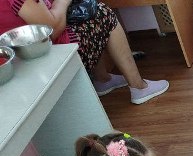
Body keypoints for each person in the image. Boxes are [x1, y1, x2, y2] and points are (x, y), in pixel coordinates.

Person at [0, 0, 168, 104]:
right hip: (49, 57)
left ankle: (103, 79)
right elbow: (52, 30)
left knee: (88, 8)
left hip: (30, 58)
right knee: (103, 13)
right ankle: (139, 87)